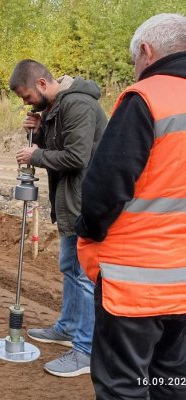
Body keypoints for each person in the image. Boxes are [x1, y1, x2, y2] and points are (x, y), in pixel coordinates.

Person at [75, 13, 186, 399]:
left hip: (137, 285)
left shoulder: (148, 97)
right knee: (170, 380)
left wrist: (87, 232)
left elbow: (105, 187)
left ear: (146, 50)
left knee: (124, 385)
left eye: (133, 60)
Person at [9, 60, 107, 377]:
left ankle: (86, 351)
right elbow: (59, 148)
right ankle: (67, 328)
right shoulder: (57, 107)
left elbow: (77, 157)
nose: (25, 103)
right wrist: (40, 133)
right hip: (69, 204)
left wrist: (34, 155)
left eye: (26, 96)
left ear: (41, 83)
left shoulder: (77, 104)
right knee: (69, 269)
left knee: (83, 276)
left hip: (85, 204)